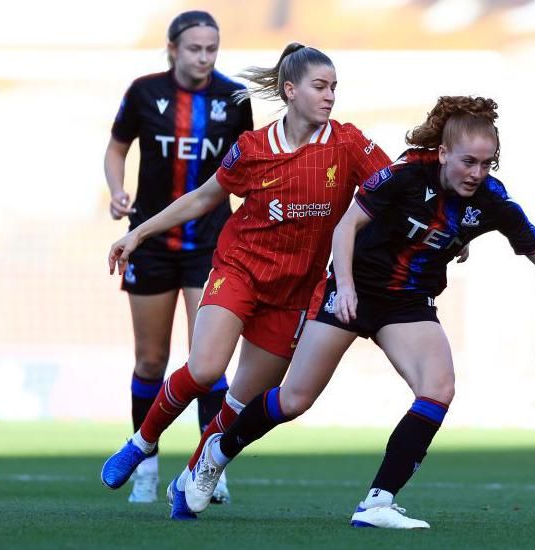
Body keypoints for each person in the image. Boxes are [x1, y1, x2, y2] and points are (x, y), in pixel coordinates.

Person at [182, 96, 535, 528]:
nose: (476, 173)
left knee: (439, 388)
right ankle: (217, 453)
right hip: (353, 288)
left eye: (486, 164)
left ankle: (378, 501)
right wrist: (343, 288)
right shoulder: (403, 175)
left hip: (407, 303)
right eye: (468, 161)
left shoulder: (492, 201)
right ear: (443, 153)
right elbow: (346, 228)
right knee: (294, 400)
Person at [100, 43, 394, 520]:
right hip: (239, 271)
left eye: (335, 88)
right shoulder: (253, 149)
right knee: (204, 369)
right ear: (290, 90)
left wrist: (444, 228)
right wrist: (138, 232)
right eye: (320, 87)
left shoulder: (348, 143)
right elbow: (203, 198)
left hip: (294, 292)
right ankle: (141, 442)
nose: (330, 97)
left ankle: (194, 473)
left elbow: (394, 190)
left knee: (241, 402)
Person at [104, 10, 252, 505]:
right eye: (195, 48)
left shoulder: (233, 98)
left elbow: (246, 168)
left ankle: (211, 464)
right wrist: (115, 190)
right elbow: (117, 147)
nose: (204, 57)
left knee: (206, 360)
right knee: (151, 359)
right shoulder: (144, 92)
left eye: (212, 48)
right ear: (173, 49)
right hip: (151, 240)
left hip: (210, 244)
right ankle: (145, 463)